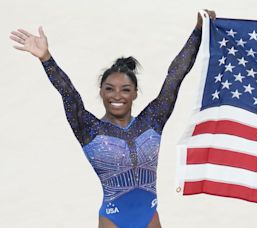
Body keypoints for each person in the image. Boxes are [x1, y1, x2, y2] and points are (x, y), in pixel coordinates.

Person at [10, 10, 216, 228]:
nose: (117, 95)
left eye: (125, 89)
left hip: (150, 217)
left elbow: (175, 77)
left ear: (135, 93)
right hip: (113, 220)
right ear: (101, 92)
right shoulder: (89, 128)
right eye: (110, 89)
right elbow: (68, 93)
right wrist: (46, 58)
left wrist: (198, 31)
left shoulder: (153, 120)